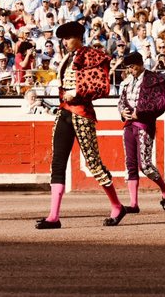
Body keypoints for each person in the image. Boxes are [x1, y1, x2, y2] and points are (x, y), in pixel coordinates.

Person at [36, 21, 124, 230]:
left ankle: (117, 206)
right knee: (57, 163)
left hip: (82, 113)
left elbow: (101, 86)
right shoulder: (67, 58)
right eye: (63, 39)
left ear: (78, 37)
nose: (64, 42)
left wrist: (76, 93)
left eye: (68, 38)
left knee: (93, 163)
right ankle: (53, 216)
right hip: (64, 112)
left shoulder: (93, 55)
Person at [116, 52, 165, 214]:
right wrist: (123, 113)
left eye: (132, 67)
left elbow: (159, 104)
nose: (130, 70)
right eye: (128, 68)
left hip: (144, 124)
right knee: (130, 165)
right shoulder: (127, 82)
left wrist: (138, 113)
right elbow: (121, 102)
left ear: (140, 64)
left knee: (146, 165)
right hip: (129, 125)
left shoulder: (154, 79)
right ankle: (133, 204)